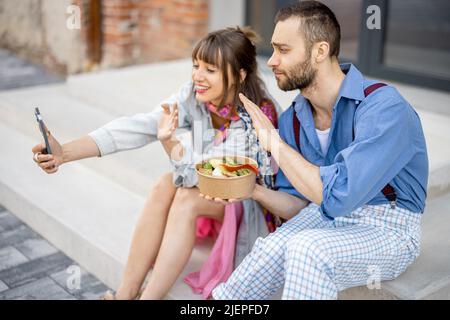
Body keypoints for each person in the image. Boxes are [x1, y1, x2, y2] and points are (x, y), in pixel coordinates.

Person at [31, 27, 286, 300]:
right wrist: (65, 153)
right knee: (164, 184)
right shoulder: (194, 96)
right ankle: (125, 293)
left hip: (254, 206)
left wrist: (170, 145)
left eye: (210, 70)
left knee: (186, 199)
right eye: (196, 65)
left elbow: (208, 175)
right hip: (215, 192)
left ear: (239, 75)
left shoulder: (256, 118)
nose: (197, 76)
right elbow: (139, 126)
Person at [210, 1, 428, 300]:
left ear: (320, 51)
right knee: (270, 249)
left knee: (307, 250)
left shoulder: (384, 108)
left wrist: (274, 143)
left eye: (283, 50)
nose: (271, 61)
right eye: (273, 50)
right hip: (324, 215)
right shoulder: (294, 119)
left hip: (389, 227)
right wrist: (250, 190)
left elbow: (337, 197)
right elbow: (303, 204)